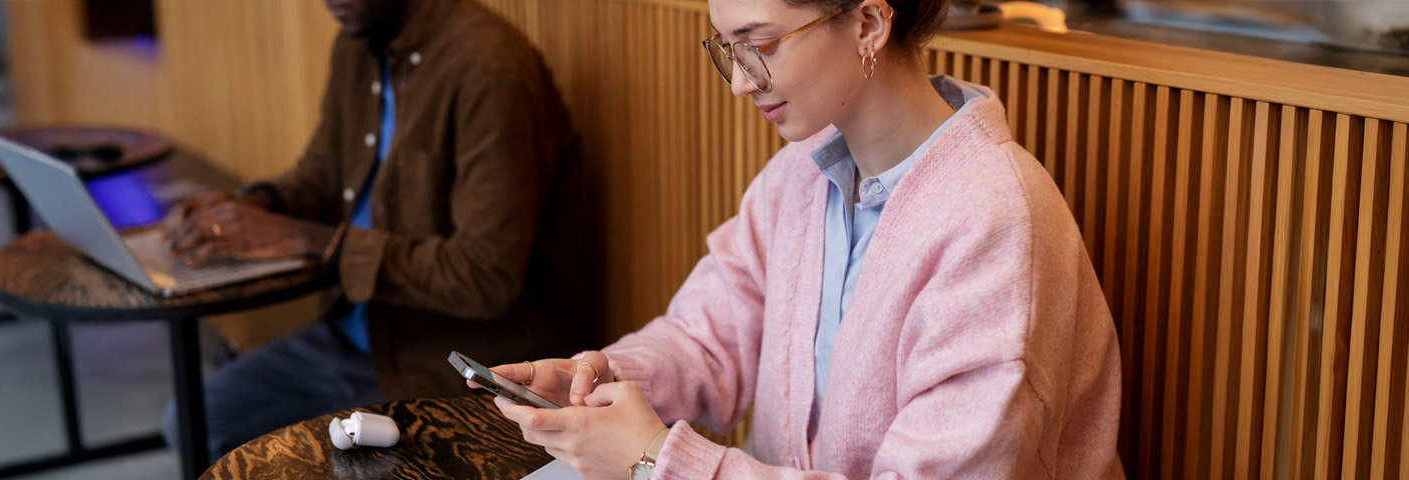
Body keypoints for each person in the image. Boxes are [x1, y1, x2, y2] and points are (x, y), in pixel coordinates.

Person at [476, 0, 1123, 477]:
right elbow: (710, 335)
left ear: (869, 23)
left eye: (761, 44)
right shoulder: (802, 171)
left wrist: (656, 458)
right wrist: (607, 377)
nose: (739, 80)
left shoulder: (994, 221)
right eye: (727, 47)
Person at [160, 0, 597, 460]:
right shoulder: (358, 40)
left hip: (450, 366)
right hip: (354, 334)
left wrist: (313, 241)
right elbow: (324, 173)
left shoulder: (490, 69)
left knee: (305, 462)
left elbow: (486, 276)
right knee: (194, 423)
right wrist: (247, 210)